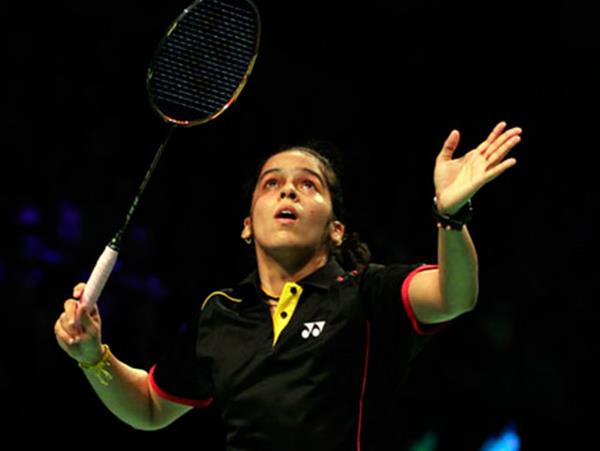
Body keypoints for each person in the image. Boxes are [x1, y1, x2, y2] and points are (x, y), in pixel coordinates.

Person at [54, 121, 522, 450]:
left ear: (336, 230)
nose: (288, 190)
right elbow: (151, 407)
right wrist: (94, 357)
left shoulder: (366, 294)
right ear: (247, 226)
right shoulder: (221, 314)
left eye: (309, 185)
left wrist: (451, 217)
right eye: (271, 183)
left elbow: (453, 296)